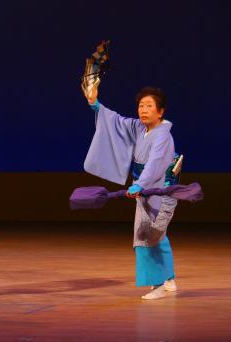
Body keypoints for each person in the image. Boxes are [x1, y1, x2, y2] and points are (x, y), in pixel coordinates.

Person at [83, 84, 180, 300]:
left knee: (146, 236)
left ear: (161, 111)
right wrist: (94, 103)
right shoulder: (139, 127)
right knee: (157, 235)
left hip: (159, 191)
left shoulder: (163, 136)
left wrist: (140, 184)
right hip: (145, 190)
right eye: (140, 106)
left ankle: (158, 285)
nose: (143, 110)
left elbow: (154, 164)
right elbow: (116, 122)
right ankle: (168, 277)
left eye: (149, 106)